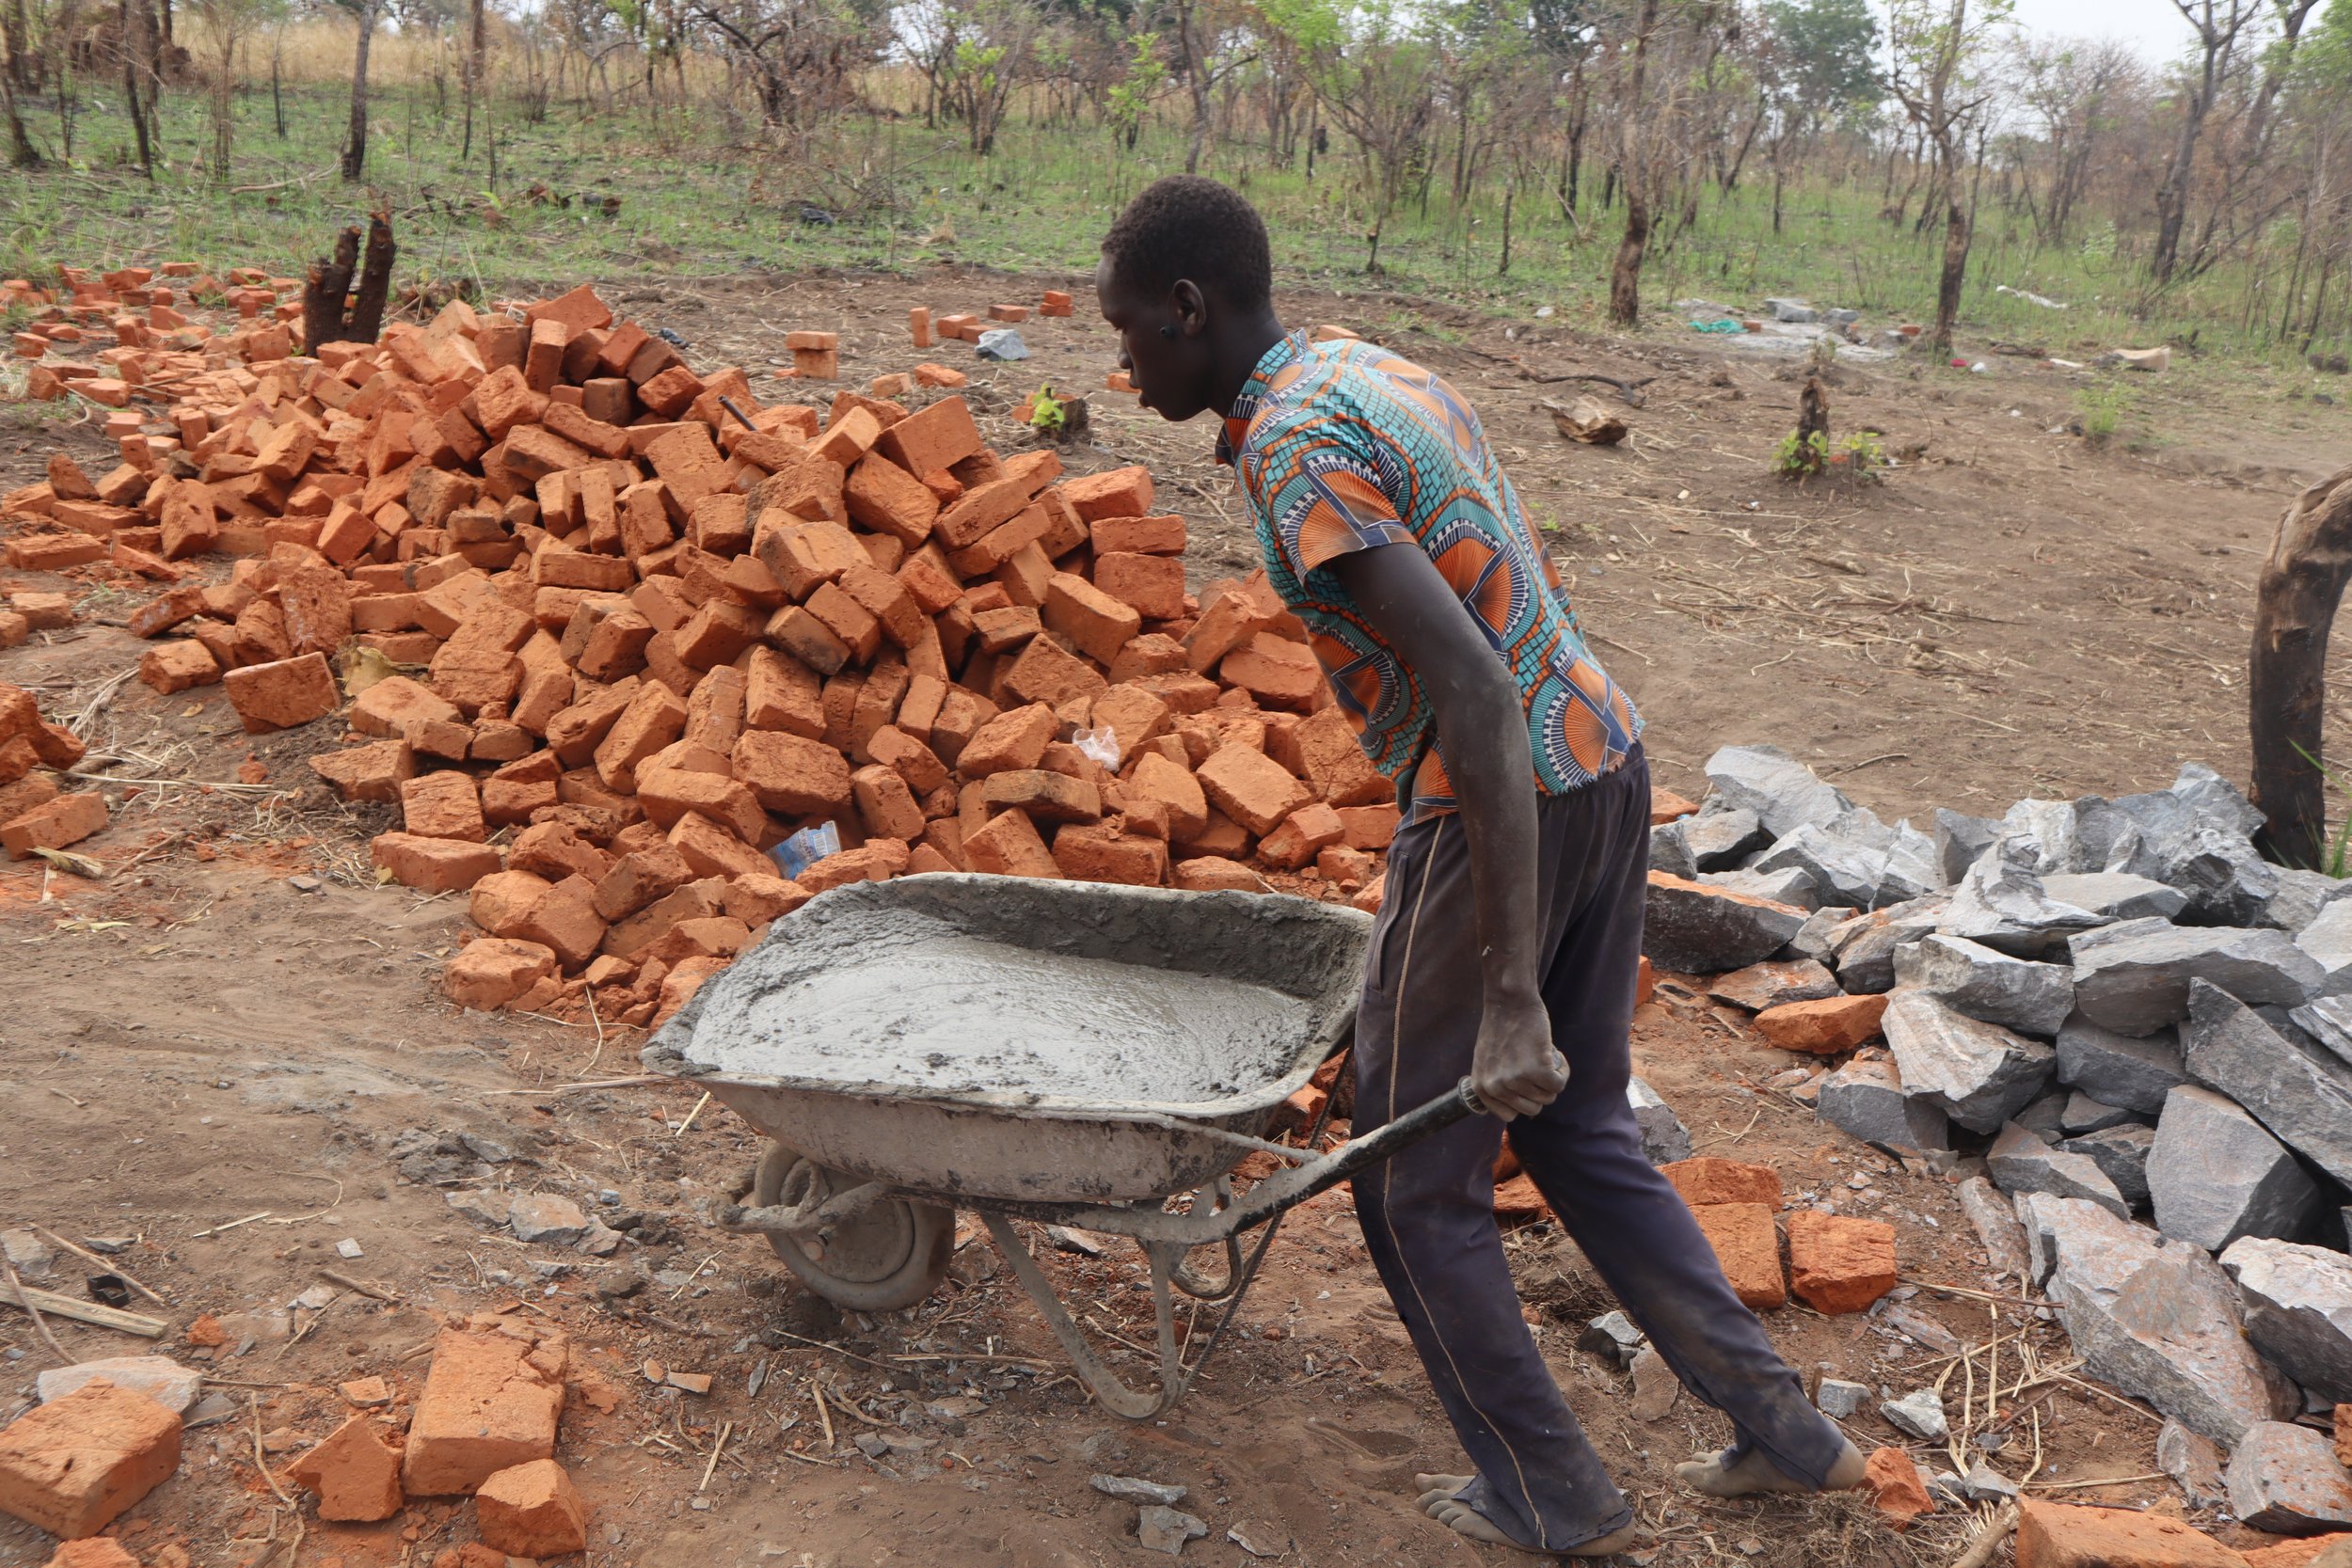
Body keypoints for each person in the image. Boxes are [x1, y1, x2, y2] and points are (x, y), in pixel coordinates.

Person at [1094, 175, 1865, 1559]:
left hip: (1500, 794)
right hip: (1602, 757)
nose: (1123, 360)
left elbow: (1476, 694)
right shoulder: (1358, 368)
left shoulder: (1296, 448)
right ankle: (1788, 1428)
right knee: (1577, 1129)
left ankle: (1550, 1489)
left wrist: (1507, 987)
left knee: (1410, 1179)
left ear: (1191, 309)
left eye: (1133, 331)